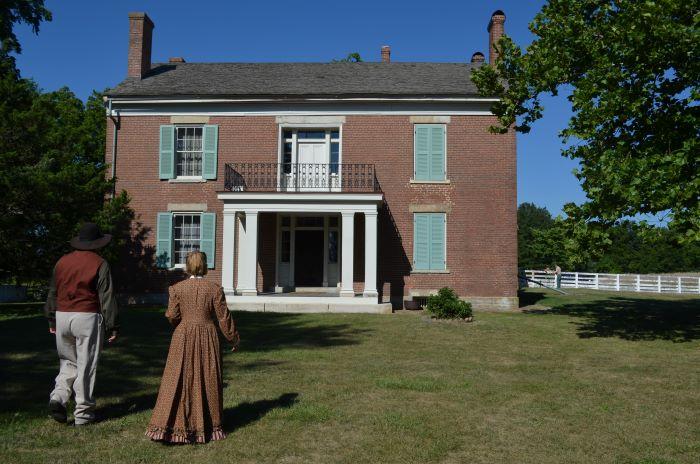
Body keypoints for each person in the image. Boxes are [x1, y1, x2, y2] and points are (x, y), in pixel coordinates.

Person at [146, 251, 239, 444]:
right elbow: (223, 317)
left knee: (178, 377)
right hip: (207, 334)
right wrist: (233, 338)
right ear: (204, 266)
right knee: (208, 377)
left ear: (188, 266)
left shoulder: (177, 288)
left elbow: (172, 315)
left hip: (183, 335)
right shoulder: (214, 289)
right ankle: (209, 426)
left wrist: (182, 325)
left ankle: (172, 426)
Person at [45, 222, 120, 425]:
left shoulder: (62, 262)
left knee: (67, 362)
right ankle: (83, 413)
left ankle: (58, 397)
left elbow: (53, 290)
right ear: (97, 243)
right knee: (86, 364)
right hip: (87, 316)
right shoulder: (99, 263)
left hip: (62, 316)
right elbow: (106, 295)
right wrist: (112, 324)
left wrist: (52, 317)